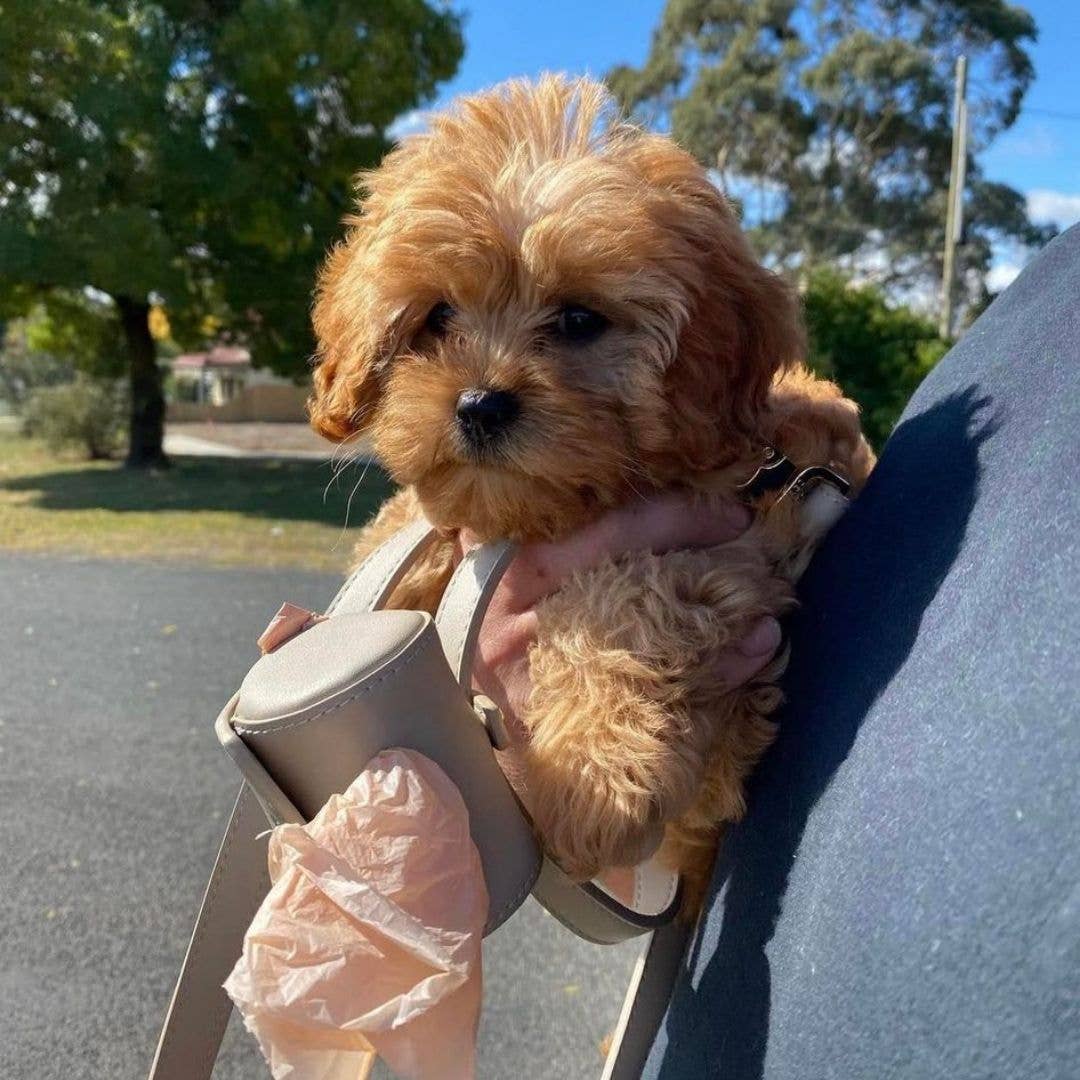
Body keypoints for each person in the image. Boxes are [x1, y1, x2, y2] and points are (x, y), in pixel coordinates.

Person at [467, 224, 1080, 1079]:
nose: (480, 383)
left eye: (573, 322)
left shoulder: (757, 464)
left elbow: (735, 580)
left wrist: (617, 656)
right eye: (433, 323)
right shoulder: (1040, 304)